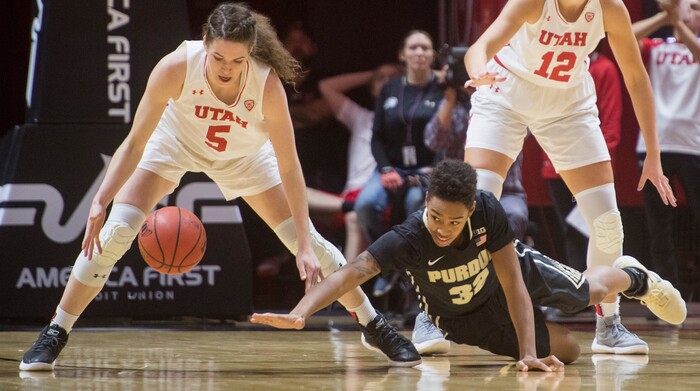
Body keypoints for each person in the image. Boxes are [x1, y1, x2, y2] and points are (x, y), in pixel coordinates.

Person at [19, 2, 420, 371]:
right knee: (116, 232)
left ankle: (374, 323)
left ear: (251, 53)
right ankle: (56, 330)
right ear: (205, 44)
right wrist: (99, 201)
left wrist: (300, 239)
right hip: (174, 145)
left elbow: (289, 165)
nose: (227, 68)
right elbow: (135, 142)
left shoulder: (266, 85)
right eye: (219, 58)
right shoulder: (176, 65)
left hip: (244, 159)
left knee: (314, 246)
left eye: (238, 60)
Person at [251, 160, 686, 371]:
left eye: (454, 221)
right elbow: (351, 272)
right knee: (569, 353)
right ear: (427, 203)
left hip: (508, 275)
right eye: (436, 216)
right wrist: (301, 311)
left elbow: (514, 282)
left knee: (580, 294)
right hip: (466, 318)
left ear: (471, 210)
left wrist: (530, 353)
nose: (442, 228)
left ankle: (635, 278)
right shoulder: (410, 237)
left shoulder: (488, 212)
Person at [462, 0, 677, 354]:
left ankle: (609, 324)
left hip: (567, 103)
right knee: (475, 204)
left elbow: (636, 77)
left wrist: (653, 154)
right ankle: (434, 312)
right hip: (507, 91)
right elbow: (479, 47)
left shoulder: (610, 8)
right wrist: (477, 72)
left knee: (607, 222)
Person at [355, 30, 444, 309]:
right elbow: (377, 137)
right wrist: (384, 169)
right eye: (414, 47)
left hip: (428, 169)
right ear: (402, 54)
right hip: (391, 167)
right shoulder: (390, 88)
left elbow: (449, 134)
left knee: (417, 204)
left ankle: (412, 272)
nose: (420, 53)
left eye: (425, 48)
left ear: (432, 55)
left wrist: (435, 170)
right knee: (366, 203)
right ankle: (389, 263)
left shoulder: (442, 88)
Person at [632, 0, 700, 293]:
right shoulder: (657, 46)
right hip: (654, 145)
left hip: (693, 145)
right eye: (690, 6)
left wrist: (677, 20)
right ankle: (665, 293)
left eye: (697, 8)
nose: (691, 12)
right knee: (658, 224)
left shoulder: (692, 43)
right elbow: (627, 35)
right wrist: (665, 16)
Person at [307, 64, 401, 263]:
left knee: (355, 217)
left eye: (392, 77)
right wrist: (372, 74)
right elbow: (326, 86)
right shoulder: (362, 118)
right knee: (293, 193)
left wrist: (408, 71)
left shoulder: (409, 120)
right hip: (345, 201)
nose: (386, 81)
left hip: (381, 200)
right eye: (381, 79)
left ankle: (346, 291)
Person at [541, 45, 623, 274]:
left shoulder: (604, 68)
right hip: (556, 165)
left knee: (598, 231)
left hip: (589, 166)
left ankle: (597, 292)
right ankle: (576, 293)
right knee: (570, 230)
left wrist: (599, 164)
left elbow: (610, 127)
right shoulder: (552, 65)